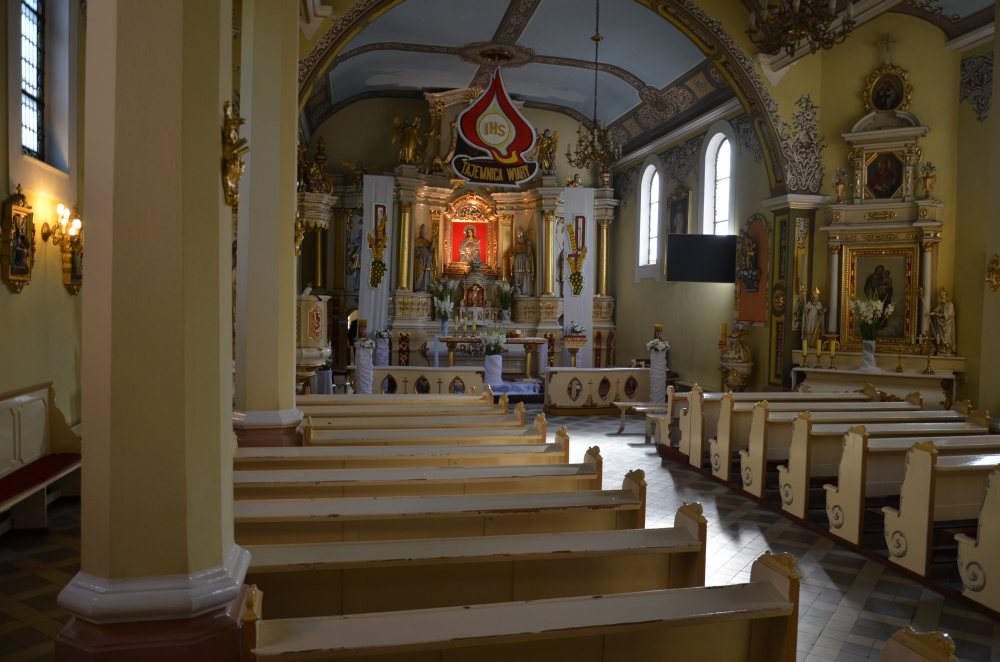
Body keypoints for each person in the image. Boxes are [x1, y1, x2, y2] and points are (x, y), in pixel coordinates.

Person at [929, 287, 956, 355]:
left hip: (947, 324)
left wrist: (935, 314)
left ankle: (948, 349)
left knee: (947, 337)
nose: (940, 293)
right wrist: (932, 313)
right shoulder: (939, 304)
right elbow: (936, 310)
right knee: (940, 337)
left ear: (945, 293)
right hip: (940, 324)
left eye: (942, 292)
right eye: (940, 292)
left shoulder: (950, 304)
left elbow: (947, 315)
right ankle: (941, 349)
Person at [511, 227, 535, 297]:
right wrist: (513, 252)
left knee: (525, 273)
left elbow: (529, 254)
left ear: (522, 233)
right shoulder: (516, 245)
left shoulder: (527, 244)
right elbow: (512, 254)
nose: (517, 234)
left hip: (524, 260)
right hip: (518, 260)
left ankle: (524, 290)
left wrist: (528, 246)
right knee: (516, 274)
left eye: (519, 232)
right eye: (517, 233)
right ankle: (517, 289)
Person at [413, 223, 435, 292]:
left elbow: (431, 249)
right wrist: (417, 251)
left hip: (427, 260)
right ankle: (419, 287)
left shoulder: (427, 241)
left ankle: (425, 288)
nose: (423, 234)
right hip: (420, 260)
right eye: (422, 233)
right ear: (420, 233)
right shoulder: (416, 241)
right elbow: (415, 249)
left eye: (424, 233)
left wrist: (433, 239)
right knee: (420, 273)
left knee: (427, 273)